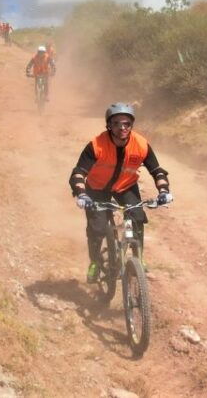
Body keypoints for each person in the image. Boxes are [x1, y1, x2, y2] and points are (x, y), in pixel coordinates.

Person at [69, 103, 173, 283]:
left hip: (125, 186)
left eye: (126, 123)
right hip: (96, 187)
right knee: (98, 228)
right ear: (109, 125)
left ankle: (138, 258)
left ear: (132, 124)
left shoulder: (141, 144)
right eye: (116, 123)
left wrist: (163, 191)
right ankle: (95, 262)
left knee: (137, 217)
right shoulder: (96, 145)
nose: (122, 127)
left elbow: (157, 171)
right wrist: (82, 194)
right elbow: (78, 173)